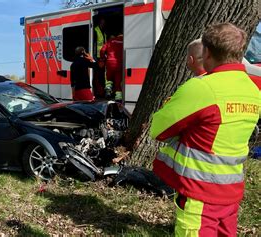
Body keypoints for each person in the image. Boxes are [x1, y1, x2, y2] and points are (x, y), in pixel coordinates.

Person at [150, 23, 259, 236]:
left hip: (201, 192)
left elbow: (158, 129)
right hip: (232, 190)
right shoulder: (252, 88)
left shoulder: (201, 88)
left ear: (207, 52)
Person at [100, 31, 123, 101]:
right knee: (118, 81)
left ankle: (108, 91)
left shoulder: (111, 40)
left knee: (108, 79)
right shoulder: (125, 41)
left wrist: (103, 58)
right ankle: (118, 98)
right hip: (119, 63)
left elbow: (102, 50)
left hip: (109, 62)